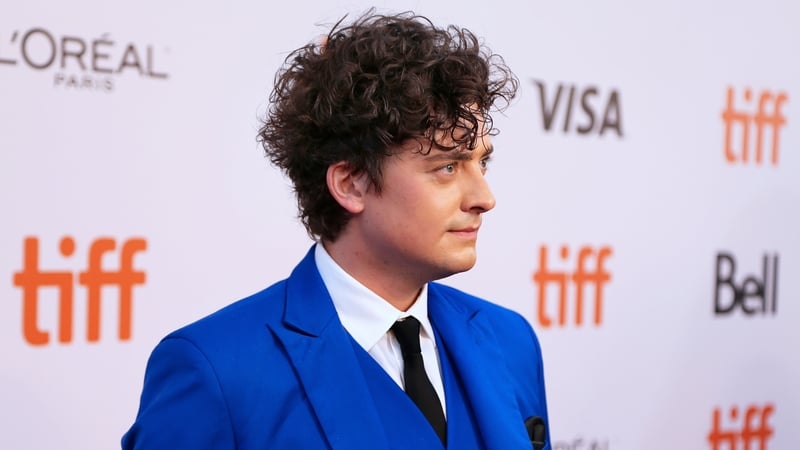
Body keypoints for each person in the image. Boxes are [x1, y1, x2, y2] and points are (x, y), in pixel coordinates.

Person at [122, 10, 549, 450]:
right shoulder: (217, 371)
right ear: (351, 184)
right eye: (446, 166)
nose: (484, 197)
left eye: (482, 162)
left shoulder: (509, 339)